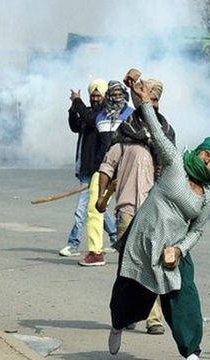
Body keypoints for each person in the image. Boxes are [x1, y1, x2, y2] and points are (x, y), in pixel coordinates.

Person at [107, 81, 210, 360]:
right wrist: (144, 103)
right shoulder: (176, 164)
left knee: (184, 299)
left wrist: (180, 250)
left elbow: (197, 231)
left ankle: (192, 353)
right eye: (206, 153)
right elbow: (157, 133)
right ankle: (117, 326)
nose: (206, 160)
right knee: (129, 297)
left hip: (172, 251)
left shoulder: (206, 198)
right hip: (144, 241)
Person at [97, 74, 176, 336]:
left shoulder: (165, 134)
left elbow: (174, 173)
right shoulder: (126, 132)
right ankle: (127, 312)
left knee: (154, 265)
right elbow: (107, 166)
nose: (151, 103)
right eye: (147, 98)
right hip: (128, 211)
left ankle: (154, 318)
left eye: (155, 99)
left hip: (156, 214)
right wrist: (101, 196)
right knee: (128, 267)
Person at [59, 79, 117, 259]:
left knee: (82, 209)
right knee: (99, 207)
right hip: (86, 167)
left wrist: (77, 101)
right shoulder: (88, 113)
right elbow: (76, 126)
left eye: (98, 95)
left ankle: (73, 243)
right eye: (93, 96)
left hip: (97, 170)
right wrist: (72, 108)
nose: (95, 99)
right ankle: (116, 238)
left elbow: (90, 119)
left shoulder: (105, 114)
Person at [78, 81, 132, 266]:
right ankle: (95, 252)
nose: (117, 98)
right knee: (95, 207)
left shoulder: (131, 115)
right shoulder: (100, 116)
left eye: (120, 94)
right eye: (113, 94)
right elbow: (83, 122)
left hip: (126, 169)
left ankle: (132, 250)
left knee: (130, 209)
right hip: (102, 169)